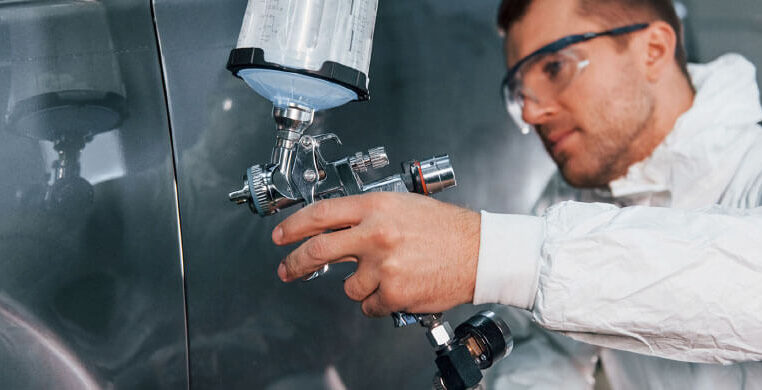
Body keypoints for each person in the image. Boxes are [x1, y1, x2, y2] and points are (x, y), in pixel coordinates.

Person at [271, 0, 762, 387]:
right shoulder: (579, 195)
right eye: (519, 91)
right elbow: (549, 346)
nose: (530, 114)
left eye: (553, 68)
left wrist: (482, 252)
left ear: (652, 50)